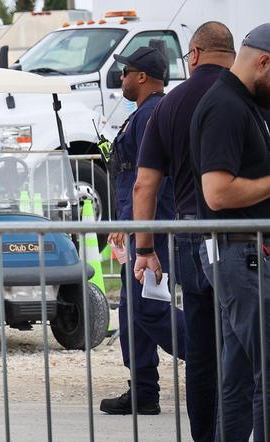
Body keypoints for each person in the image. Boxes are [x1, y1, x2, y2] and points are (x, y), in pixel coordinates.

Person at [133, 21, 234, 440]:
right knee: (244, 346)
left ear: (192, 55)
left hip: (191, 236)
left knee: (201, 352)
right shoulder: (246, 97)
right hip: (243, 235)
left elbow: (145, 184)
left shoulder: (168, 105)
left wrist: (145, 247)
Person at [190, 23, 270, 441]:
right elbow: (217, 193)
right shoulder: (226, 106)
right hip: (240, 255)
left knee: (238, 377)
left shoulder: (244, 103)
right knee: (262, 373)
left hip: (241, 254)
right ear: (264, 62)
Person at [102, 46, 188, 416]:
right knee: (132, 311)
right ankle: (143, 389)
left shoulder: (153, 115)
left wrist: (137, 225)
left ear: (142, 77)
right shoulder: (143, 114)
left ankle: (218, 356)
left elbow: (150, 181)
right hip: (139, 226)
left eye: (125, 73)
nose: (120, 79)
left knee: (149, 309)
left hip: (151, 230)